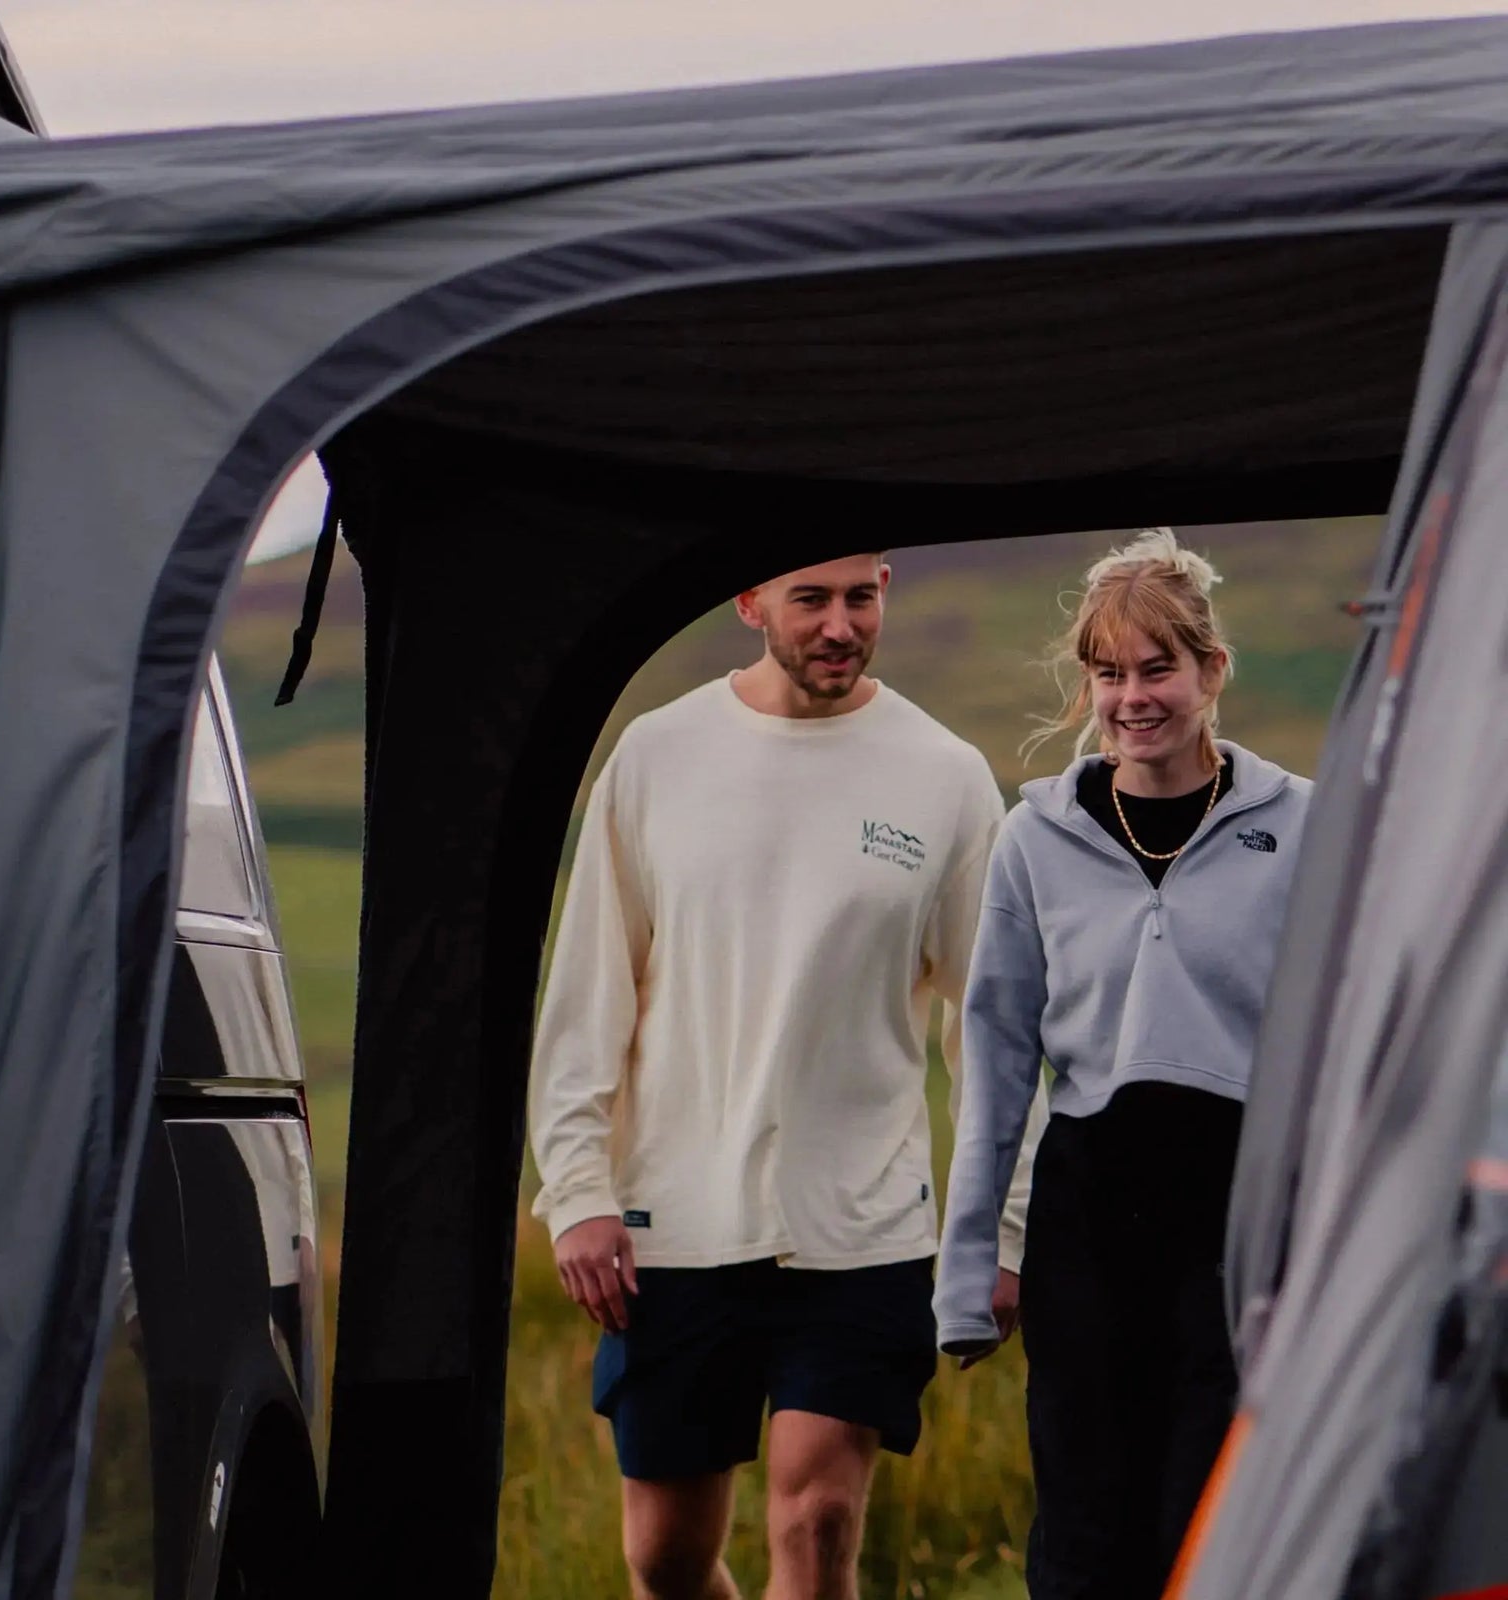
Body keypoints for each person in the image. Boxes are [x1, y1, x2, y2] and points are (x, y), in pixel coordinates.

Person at [529, 551, 1046, 1600]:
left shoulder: (941, 774)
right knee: (664, 1560)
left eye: (861, 598)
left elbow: (991, 1031)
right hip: (670, 1222)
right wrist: (578, 1192)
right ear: (750, 599)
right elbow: (589, 996)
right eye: (810, 599)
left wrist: (1002, 1226)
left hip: (862, 1224)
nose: (840, 626)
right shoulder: (656, 755)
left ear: (887, 587)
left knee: (817, 1523)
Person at [934, 528, 1313, 1600]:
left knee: (1215, 1516)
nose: (1132, 696)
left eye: (1157, 668)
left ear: (1210, 671)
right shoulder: (1034, 838)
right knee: (1087, 1522)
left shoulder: (1301, 824)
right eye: (1109, 673)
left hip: (1237, 1222)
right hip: (1087, 1219)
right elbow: (997, 1059)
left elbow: (1335, 1048)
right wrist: (970, 1273)